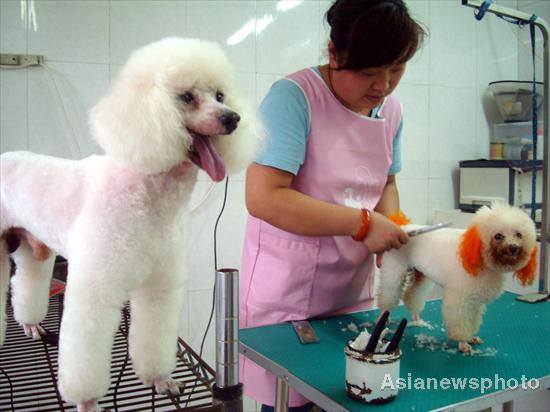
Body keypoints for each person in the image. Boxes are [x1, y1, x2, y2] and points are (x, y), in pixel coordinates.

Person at [239, 0, 426, 410]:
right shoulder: (294, 97)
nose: (383, 85)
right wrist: (363, 223)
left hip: (351, 292)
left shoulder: (391, 110)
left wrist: (393, 229)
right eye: (368, 72)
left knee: (346, 395)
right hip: (289, 295)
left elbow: (387, 181)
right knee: (292, 398)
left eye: (396, 69)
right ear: (334, 53)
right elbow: (264, 196)